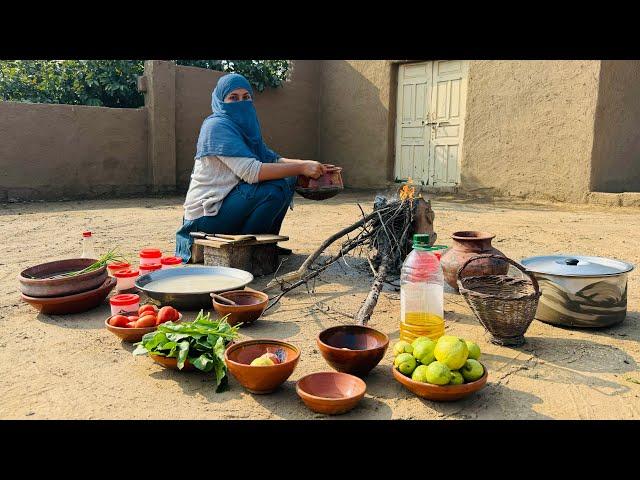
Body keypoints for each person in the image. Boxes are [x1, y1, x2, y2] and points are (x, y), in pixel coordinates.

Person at [175, 73, 330, 263]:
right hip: (204, 217)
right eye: (233, 97)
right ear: (220, 100)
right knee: (274, 188)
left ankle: (265, 244)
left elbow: (272, 158)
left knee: (288, 180)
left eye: (246, 97)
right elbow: (252, 172)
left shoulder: (245, 126)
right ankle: (248, 250)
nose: (241, 102)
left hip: (227, 203)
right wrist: (301, 168)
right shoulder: (216, 126)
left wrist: (306, 164)